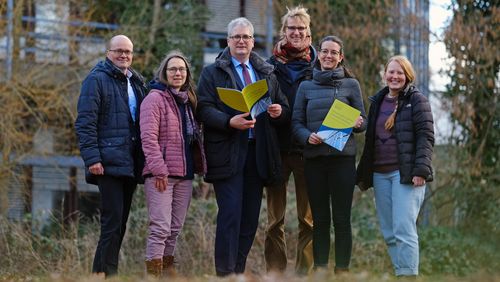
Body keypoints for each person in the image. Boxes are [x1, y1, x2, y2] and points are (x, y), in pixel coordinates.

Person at [196, 17, 290, 276]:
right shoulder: (212, 72)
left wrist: (278, 111)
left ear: (252, 42)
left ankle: (237, 272)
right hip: (227, 153)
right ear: (228, 41)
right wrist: (229, 121)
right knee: (230, 215)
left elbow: (284, 108)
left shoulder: (265, 72)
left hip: (257, 154)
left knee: (249, 219)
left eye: (246, 37)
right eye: (236, 37)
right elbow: (203, 109)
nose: (241, 41)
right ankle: (224, 274)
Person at [291, 35, 366, 272]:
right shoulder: (306, 86)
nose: (328, 56)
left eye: (334, 52)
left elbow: (363, 122)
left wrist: (358, 123)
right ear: (318, 54)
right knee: (320, 221)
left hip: (343, 161)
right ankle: (321, 271)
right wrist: (306, 137)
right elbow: (296, 123)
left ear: (340, 57)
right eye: (325, 51)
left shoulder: (351, 85)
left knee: (342, 220)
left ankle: (342, 271)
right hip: (314, 161)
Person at [75, 34, 147, 277]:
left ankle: (107, 274)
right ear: (108, 52)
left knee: (120, 224)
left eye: (127, 51)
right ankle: (103, 274)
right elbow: (85, 123)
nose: (123, 55)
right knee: (111, 223)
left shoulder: (136, 81)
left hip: (130, 163)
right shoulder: (96, 80)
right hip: (107, 163)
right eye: (118, 51)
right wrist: (92, 158)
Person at [356, 55, 434, 278]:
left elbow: (426, 137)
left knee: (403, 229)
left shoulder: (417, 101)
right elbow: (372, 137)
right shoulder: (378, 101)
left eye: (400, 72)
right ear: (385, 75)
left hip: (406, 174)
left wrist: (421, 170)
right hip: (380, 174)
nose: (395, 76)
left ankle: (409, 276)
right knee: (389, 232)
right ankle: (402, 273)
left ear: (407, 75)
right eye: (391, 71)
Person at [139, 51, 206, 277]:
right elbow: (148, 138)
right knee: (160, 228)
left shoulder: (189, 101)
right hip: (161, 175)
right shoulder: (154, 99)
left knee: (174, 229)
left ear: (187, 74)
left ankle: (167, 275)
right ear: (164, 73)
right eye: (172, 69)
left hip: (185, 175)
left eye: (181, 69)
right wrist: (159, 170)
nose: (177, 73)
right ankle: (153, 276)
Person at [265, 5, 315, 275]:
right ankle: (275, 273)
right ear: (284, 32)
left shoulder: (320, 64)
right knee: (275, 220)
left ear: (309, 34)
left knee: (308, 220)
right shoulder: (268, 66)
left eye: (301, 28)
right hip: (277, 150)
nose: (296, 32)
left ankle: (304, 274)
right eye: (291, 28)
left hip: (309, 151)